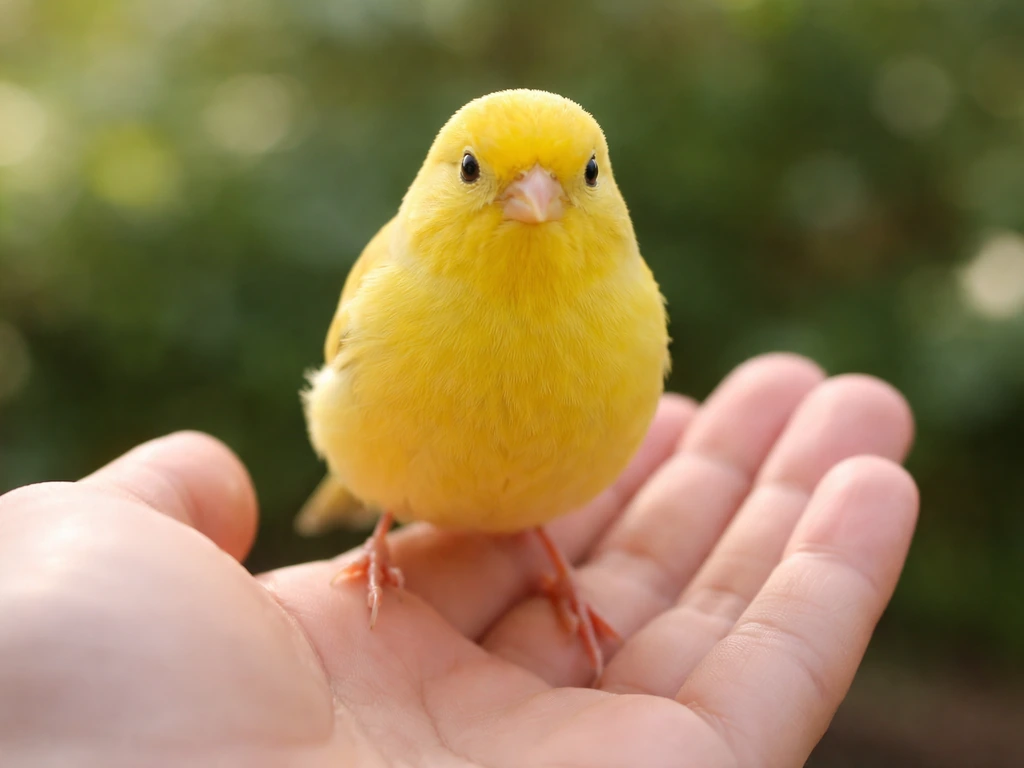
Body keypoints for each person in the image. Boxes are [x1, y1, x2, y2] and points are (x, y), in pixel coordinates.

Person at [0, 354, 917, 767]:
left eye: (576, 175)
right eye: (484, 172)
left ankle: (550, 564)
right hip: (388, 495)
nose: (535, 194)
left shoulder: (629, 306)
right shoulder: (395, 280)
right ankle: (376, 523)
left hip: (541, 519)